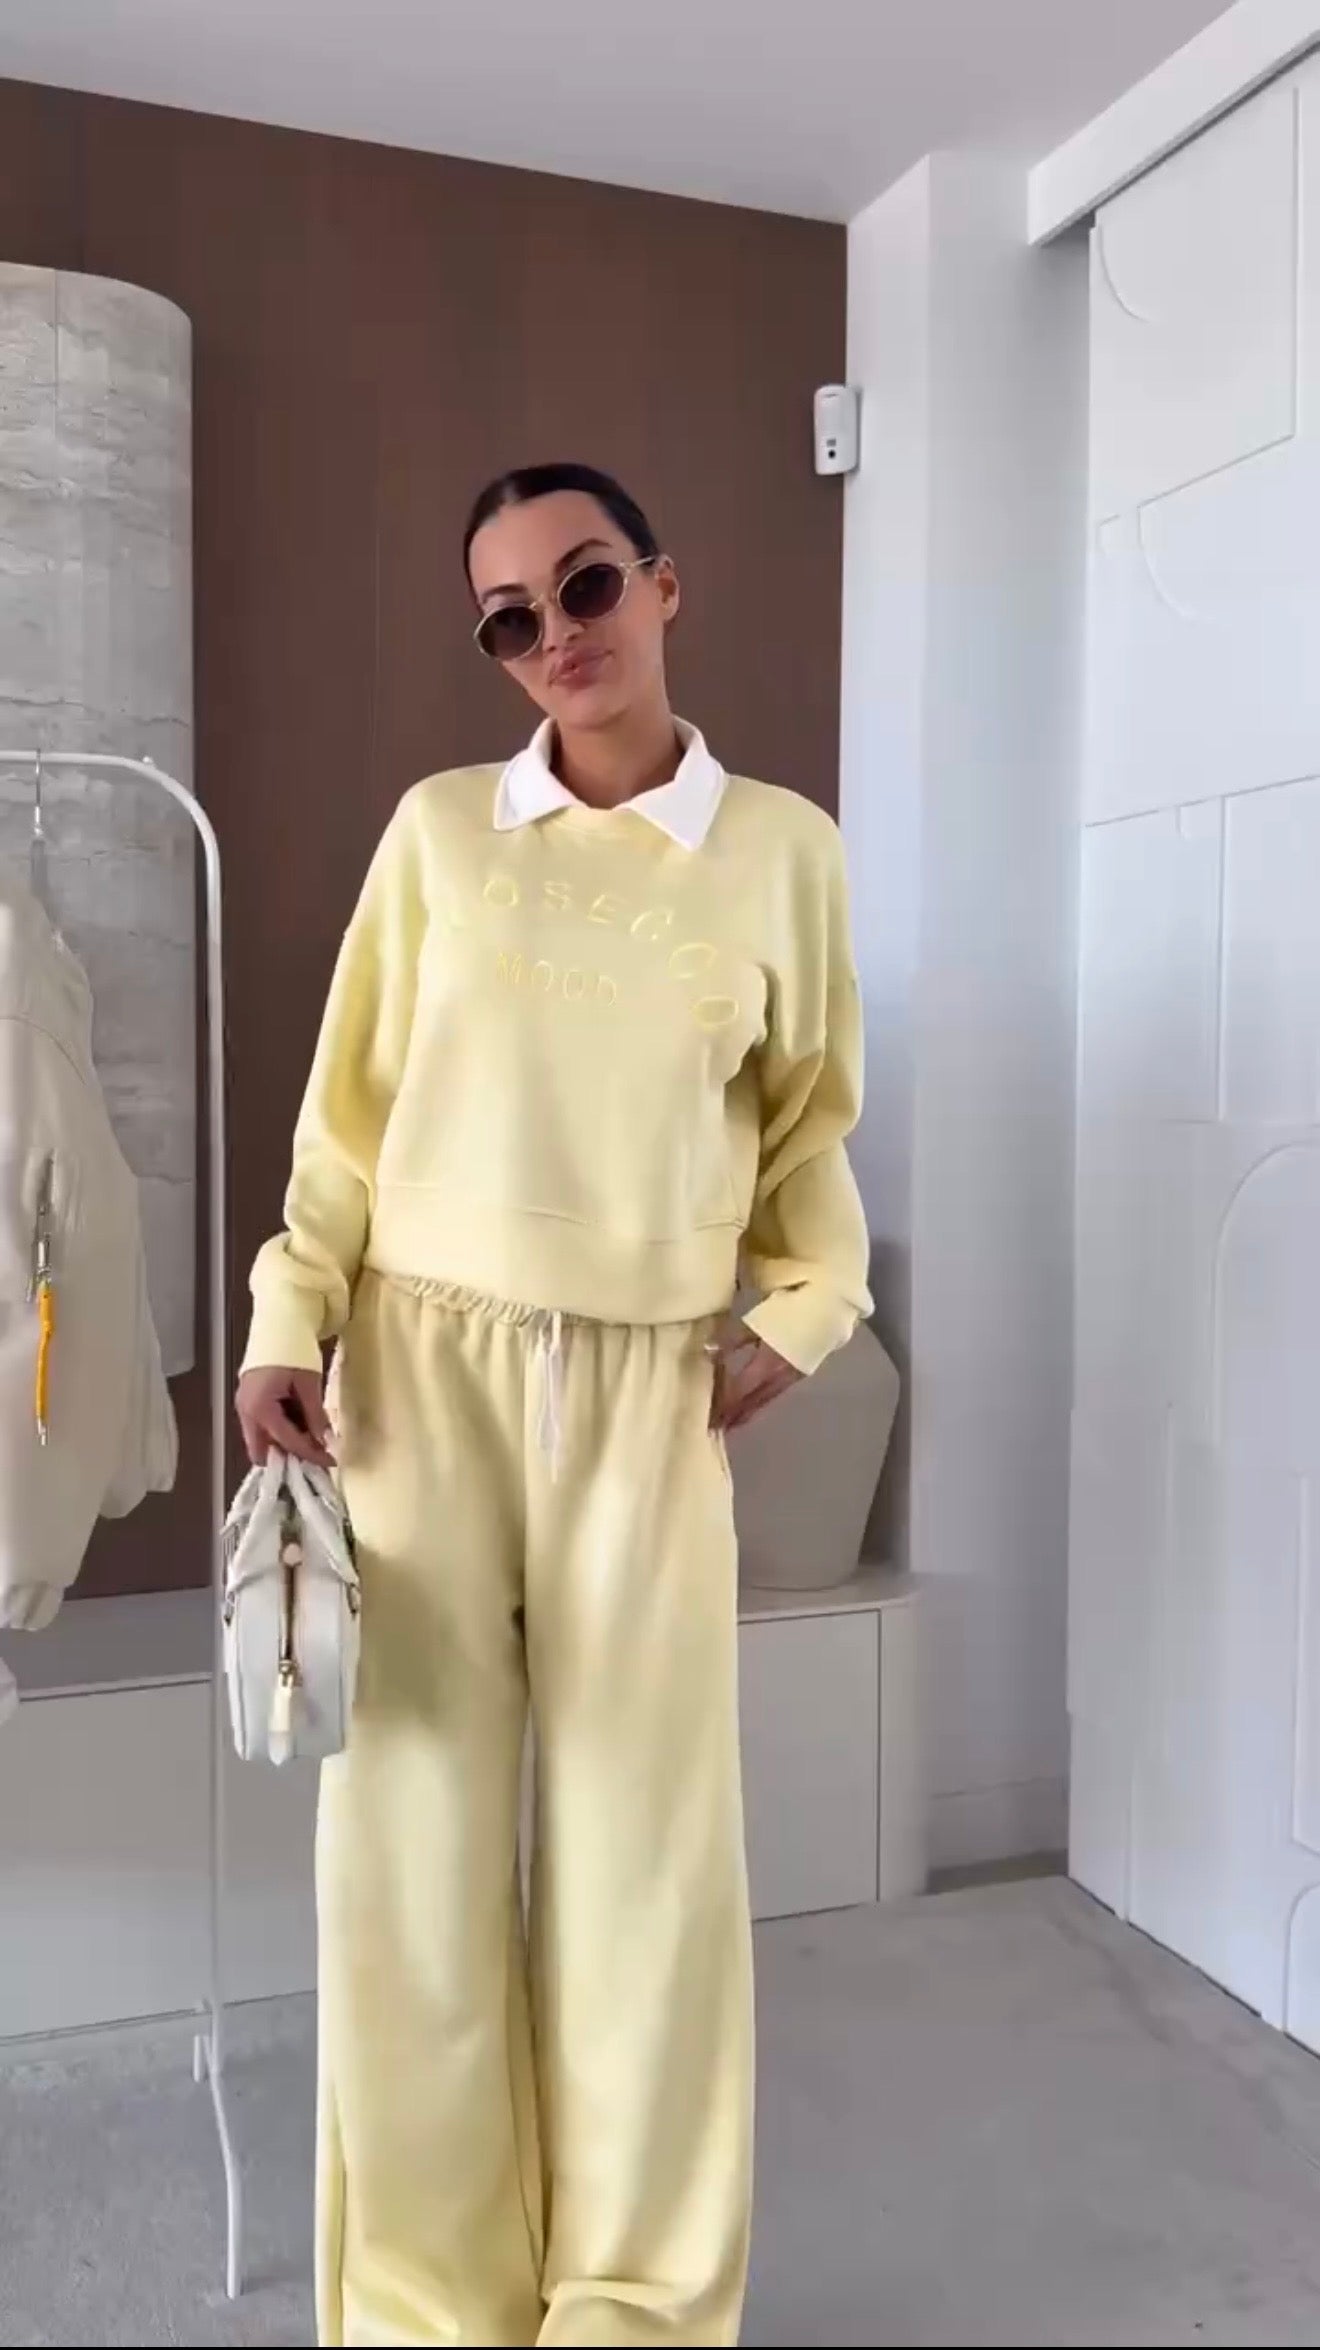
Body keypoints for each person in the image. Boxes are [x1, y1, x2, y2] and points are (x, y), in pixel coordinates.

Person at [236, 461, 872, 2348]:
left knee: (645, 1865)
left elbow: (809, 1132)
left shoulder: (782, 852)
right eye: (509, 616)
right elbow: (346, 1119)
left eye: (585, 583)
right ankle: (430, 2301)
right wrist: (289, 1312)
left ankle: (634, 2304)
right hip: (415, 1380)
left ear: (663, 585)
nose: (556, 633)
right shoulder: (441, 834)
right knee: (410, 1856)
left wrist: (811, 1306)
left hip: (644, 1395)